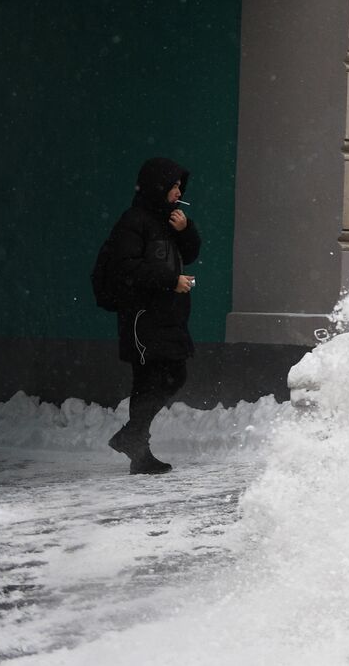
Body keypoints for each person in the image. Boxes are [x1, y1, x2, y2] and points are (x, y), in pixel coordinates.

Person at [105, 157, 200, 474]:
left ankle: (134, 438)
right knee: (150, 379)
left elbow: (190, 254)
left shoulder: (168, 220)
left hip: (168, 315)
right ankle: (138, 447)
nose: (178, 192)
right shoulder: (134, 222)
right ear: (157, 187)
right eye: (173, 186)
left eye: (179, 186)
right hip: (142, 317)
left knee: (172, 375)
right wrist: (170, 281)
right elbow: (126, 269)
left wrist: (186, 230)